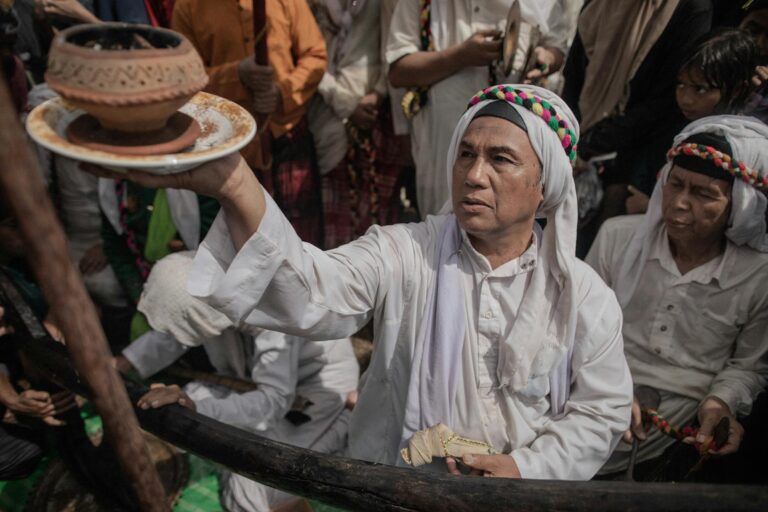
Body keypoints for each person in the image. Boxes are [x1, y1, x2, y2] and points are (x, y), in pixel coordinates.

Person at [96, 84, 633, 480]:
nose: (474, 174)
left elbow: (600, 412)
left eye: (500, 159)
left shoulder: (585, 298)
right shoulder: (405, 252)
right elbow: (312, 291)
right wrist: (235, 183)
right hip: (392, 485)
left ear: (545, 186)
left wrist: (526, 467)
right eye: (466, 154)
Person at [587, 116, 768, 477]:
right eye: (676, 184)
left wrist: (718, 403)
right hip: (596, 391)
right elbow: (578, 330)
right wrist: (609, 387)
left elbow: (748, 366)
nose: (680, 203)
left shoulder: (759, 275)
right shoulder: (617, 238)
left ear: (740, 205)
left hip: (683, 417)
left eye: (703, 194)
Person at [114, 251, 359, 511]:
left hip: (312, 396)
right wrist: (123, 363)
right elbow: (178, 328)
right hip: (252, 383)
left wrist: (196, 409)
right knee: (193, 399)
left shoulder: (275, 309)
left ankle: (341, 424)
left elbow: (273, 402)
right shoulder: (212, 295)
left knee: (248, 481)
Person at [386, 1, 571, 218]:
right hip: (444, 135)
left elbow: (556, 48)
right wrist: (459, 56)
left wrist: (545, 59)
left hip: (518, 132)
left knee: (509, 219)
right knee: (446, 221)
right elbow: (398, 71)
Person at [562, 0, 713, 256]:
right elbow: (574, 72)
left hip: (635, 158)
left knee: (602, 250)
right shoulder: (601, 4)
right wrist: (569, 138)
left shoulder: (690, 8)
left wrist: (590, 144)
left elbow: (666, 100)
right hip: (578, 139)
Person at [171, 0, 327, 246]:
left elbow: (315, 56)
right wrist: (236, 74)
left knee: (303, 242)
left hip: (287, 136)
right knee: (248, 245)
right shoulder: (189, 7)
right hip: (229, 147)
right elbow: (183, 80)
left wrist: (281, 94)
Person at [626, 28, 761, 215]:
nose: (686, 99)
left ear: (737, 89)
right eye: (681, 85)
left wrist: (652, 207)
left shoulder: (744, 148)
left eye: (701, 89)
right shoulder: (673, 130)